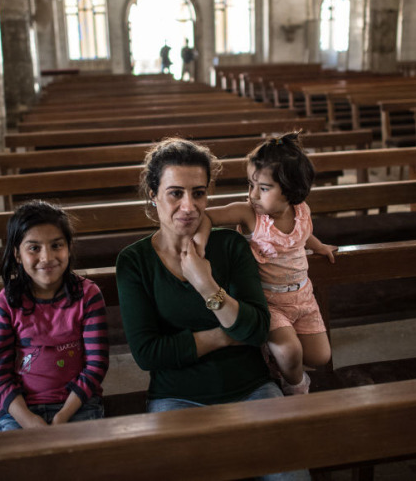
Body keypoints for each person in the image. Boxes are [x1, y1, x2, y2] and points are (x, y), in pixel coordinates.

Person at [116, 138, 310, 481]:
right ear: (153, 193)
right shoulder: (135, 262)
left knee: (290, 476)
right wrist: (227, 333)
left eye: (199, 193)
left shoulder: (231, 245)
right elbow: (149, 353)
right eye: (176, 193)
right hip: (177, 398)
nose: (189, 206)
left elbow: (255, 329)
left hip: (252, 389)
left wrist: (205, 284)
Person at [193, 133, 336, 395]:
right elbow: (207, 217)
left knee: (320, 356)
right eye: (250, 184)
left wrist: (319, 246)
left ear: (291, 191)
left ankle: (277, 359)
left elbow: (303, 235)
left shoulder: (301, 210)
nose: (253, 195)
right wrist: (200, 243)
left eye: (264, 188)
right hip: (268, 301)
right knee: (291, 352)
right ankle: (295, 386)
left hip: (303, 297)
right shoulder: (249, 214)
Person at [0, 201, 109, 431]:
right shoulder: (5, 303)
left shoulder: (88, 295)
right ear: (17, 254)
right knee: (21, 464)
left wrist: (62, 416)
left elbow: (96, 365)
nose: (47, 257)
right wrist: (28, 420)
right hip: (20, 409)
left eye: (56, 245)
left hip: (78, 403)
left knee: (82, 461)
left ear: (69, 247)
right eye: (34, 248)